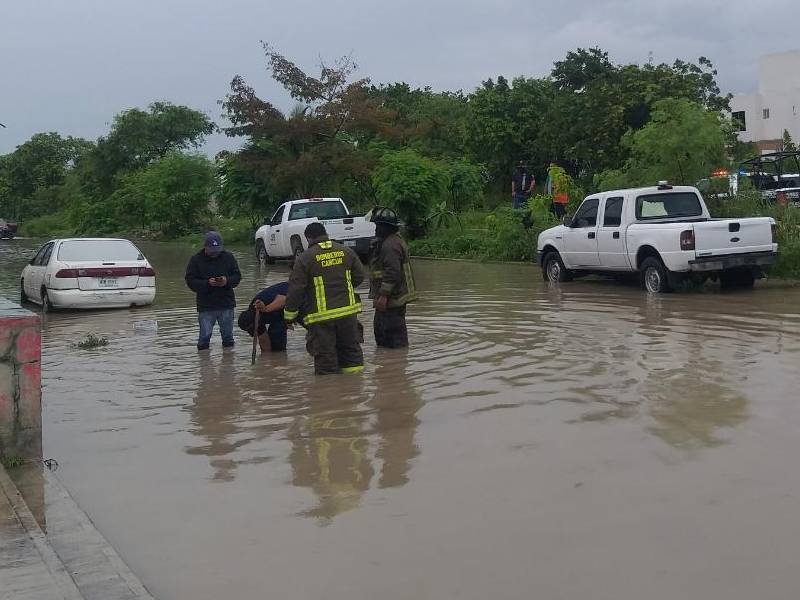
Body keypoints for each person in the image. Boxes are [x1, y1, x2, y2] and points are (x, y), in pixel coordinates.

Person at [284, 222, 367, 375]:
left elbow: (296, 290)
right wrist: (343, 287)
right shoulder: (346, 251)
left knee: (325, 359)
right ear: (325, 234)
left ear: (308, 238)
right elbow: (360, 276)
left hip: (321, 318)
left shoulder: (304, 259)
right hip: (348, 314)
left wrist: (289, 316)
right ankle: (355, 390)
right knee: (351, 354)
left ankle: (329, 394)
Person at [368, 206, 418, 348]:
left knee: (393, 336)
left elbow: (392, 273)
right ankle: (391, 361)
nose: (375, 229)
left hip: (392, 298)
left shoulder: (390, 245)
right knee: (382, 332)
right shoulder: (389, 241)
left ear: (385, 227)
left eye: (378, 226)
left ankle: (396, 362)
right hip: (392, 297)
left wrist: (384, 295)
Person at [185, 231, 242, 350]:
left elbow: (237, 276)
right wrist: (207, 283)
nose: (214, 253)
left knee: (228, 338)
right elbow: (190, 281)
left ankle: (228, 363)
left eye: (217, 250)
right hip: (206, 306)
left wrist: (226, 281)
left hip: (226, 304)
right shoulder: (196, 260)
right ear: (205, 247)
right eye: (212, 250)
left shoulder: (228, 257)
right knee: (204, 339)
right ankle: (204, 366)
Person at [237, 282, 290, 353]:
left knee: (276, 334)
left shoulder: (260, 302)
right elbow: (263, 340)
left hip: (298, 294)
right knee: (275, 343)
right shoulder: (253, 324)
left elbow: (284, 299)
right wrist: (265, 360)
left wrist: (266, 309)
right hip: (280, 314)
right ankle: (280, 359)